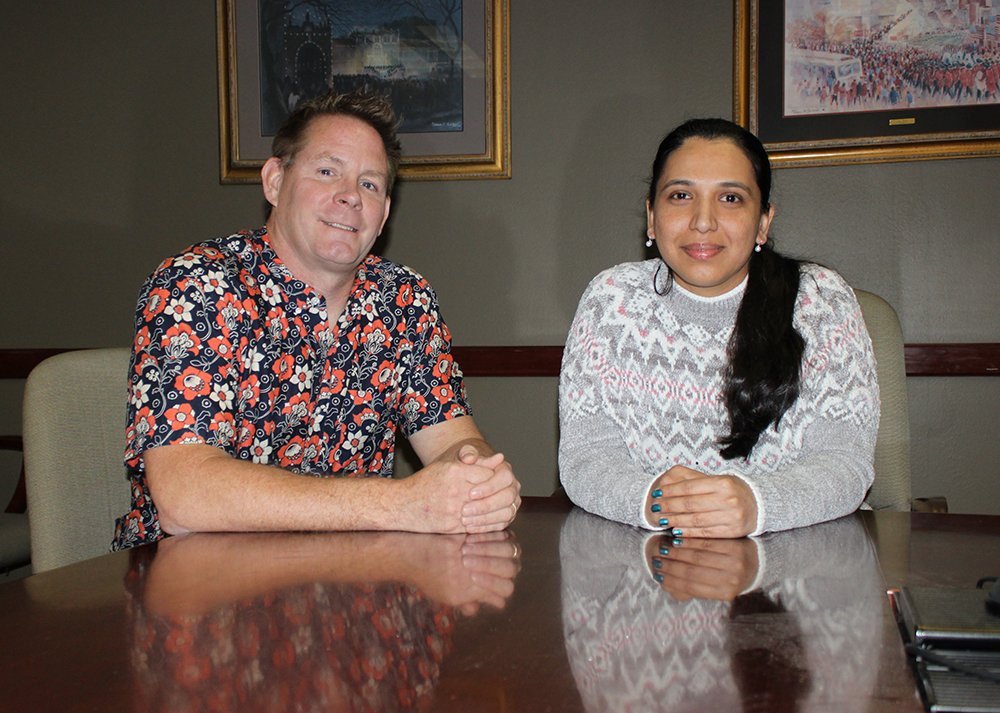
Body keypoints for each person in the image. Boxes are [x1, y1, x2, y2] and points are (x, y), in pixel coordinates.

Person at [112, 89, 520, 550]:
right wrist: (400, 503)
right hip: (198, 590)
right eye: (327, 172)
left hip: (355, 589)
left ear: (384, 213)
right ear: (274, 181)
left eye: (370, 184)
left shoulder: (404, 299)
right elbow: (185, 497)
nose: (349, 197)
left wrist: (481, 479)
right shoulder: (197, 286)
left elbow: (453, 440)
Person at [558, 118, 878, 538]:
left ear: (764, 221)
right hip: (649, 565)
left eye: (730, 197)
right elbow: (586, 457)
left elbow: (844, 460)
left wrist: (756, 504)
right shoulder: (610, 301)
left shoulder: (821, 301)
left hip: (795, 567)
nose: (703, 220)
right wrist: (655, 500)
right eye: (681, 195)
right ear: (651, 218)